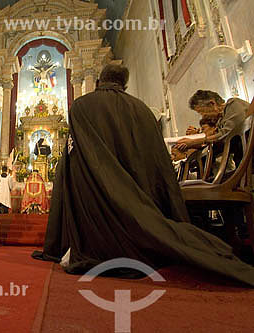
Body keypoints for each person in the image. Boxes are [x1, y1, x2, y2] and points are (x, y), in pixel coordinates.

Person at [32, 64, 254, 286]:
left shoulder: (81, 106)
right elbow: (156, 161)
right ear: (125, 84)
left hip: (93, 192)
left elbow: (76, 154)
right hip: (138, 193)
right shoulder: (142, 109)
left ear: (99, 80)